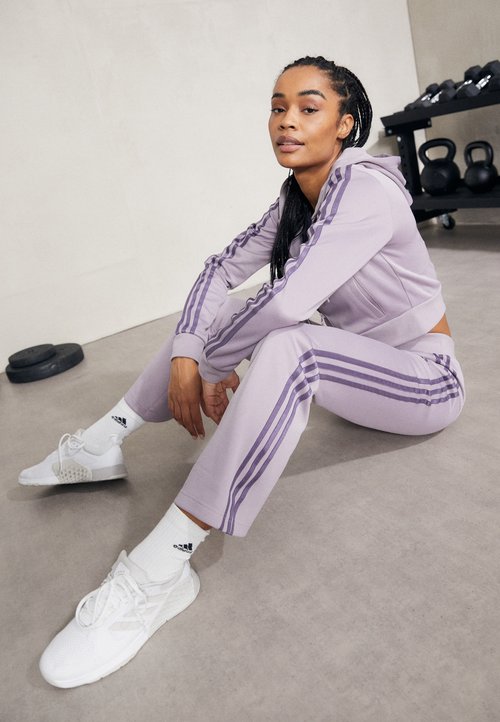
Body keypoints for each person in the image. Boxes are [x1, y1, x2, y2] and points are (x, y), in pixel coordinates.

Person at [22, 56, 465, 688]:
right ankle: (103, 442)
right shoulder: (298, 199)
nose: (287, 121)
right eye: (278, 107)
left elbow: (287, 303)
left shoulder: (366, 191)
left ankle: (160, 572)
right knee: (230, 316)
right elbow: (220, 270)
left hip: (424, 380)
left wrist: (211, 364)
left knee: (291, 344)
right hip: (358, 366)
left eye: (309, 107)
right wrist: (187, 354)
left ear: (345, 123)